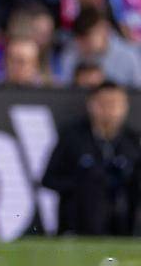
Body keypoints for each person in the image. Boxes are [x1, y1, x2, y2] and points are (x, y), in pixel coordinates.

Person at [43, 82, 141, 235]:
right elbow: (49, 179)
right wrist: (84, 182)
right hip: (80, 221)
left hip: (123, 221)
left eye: (115, 104)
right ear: (91, 105)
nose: (109, 110)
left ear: (125, 107)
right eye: (103, 104)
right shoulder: (72, 138)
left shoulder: (133, 141)